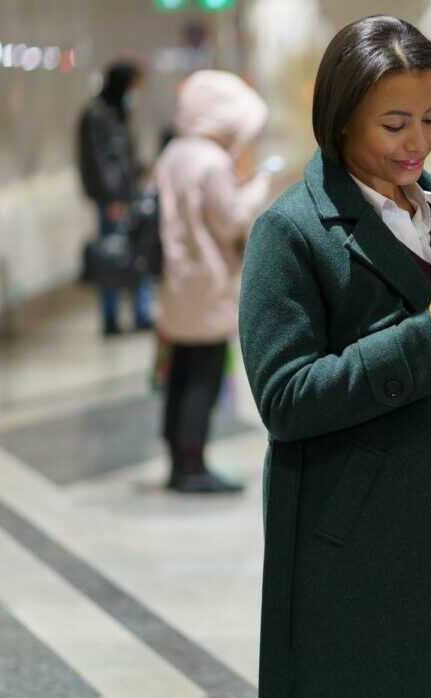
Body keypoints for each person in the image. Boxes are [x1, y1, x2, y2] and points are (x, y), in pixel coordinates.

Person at [238, 15, 431, 697]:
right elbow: (285, 401)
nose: (418, 142)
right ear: (343, 118)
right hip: (354, 549)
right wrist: (426, 335)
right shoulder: (291, 234)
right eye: (395, 124)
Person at [153, 70, 271, 493]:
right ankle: (193, 465)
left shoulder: (174, 153)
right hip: (207, 282)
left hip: (176, 280)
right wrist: (257, 187)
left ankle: (177, 459)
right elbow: (231, 221)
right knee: (203, 373)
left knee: (180, 370)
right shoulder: (211, 161)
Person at [77, 61, 153, 336]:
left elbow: (121, 156)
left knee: (133, 254)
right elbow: (101, 161)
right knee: (113, 255)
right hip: (114, 200)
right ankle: (111, 317)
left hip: (127, 195)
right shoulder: (97, 115)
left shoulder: (115, 112)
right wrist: (112, 198)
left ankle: (140, 313)